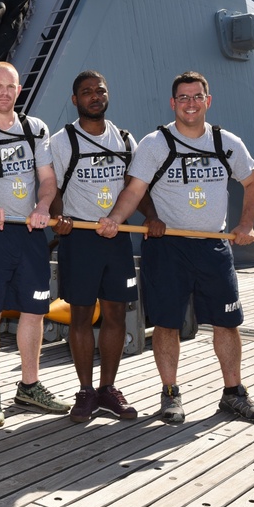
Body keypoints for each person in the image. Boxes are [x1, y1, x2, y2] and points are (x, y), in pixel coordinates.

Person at [97, 71, 254, 424]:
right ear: (173, 103)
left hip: (213, 247)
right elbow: (133, 191)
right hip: (168, 248)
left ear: (208, 101)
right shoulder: (154, 144)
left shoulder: (227, 143)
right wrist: (115, 217)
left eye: (197, 97)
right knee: (167, 323)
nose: (190, 104)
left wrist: (246, 224)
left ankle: (233, 394)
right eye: (183, 98)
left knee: (227, 322)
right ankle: (170, 394)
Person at [50, 70, 161, 423]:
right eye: (86, 92)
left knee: (116, 315)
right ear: (75, 100)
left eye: (99, 91)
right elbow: (50, 188)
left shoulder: (126, 140)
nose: (94, 97)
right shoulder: (62, 141)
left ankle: (108, 389)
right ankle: (85, 392)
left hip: (116, 238)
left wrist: (152, 217)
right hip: (79, 238)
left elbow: (135, 188)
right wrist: (58, 218)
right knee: (81, 316)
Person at [0, 62, 69, 427]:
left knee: (35, 308)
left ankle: (29, 385)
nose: (5, 93)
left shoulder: (35, 128)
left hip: (29, 232)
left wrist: (42, 206)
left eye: (11, 86)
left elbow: (47, 178)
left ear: (19, 90)